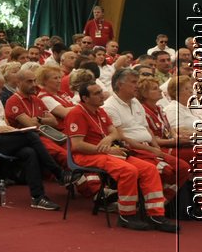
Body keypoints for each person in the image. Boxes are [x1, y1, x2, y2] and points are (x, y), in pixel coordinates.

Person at [65, 80, 172, 232]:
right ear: (85, 98)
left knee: (149, 168)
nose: (102, 96)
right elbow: (77, 145)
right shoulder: (76, 113)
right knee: (129, 171)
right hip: (87, 155)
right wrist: (106, 149)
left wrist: (109, 139)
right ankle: (126, 215)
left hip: (107, 152)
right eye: (96, 93)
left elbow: (114, 132)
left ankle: (156, 215)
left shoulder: (100, 111)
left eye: (101, 92)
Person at [0, 71, 63, 211]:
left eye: (1, 88)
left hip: (2, 137)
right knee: (31, 135)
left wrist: (10, 130)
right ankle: (58, 173)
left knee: (29, 152)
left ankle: (38, 197)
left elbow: (3, 121)